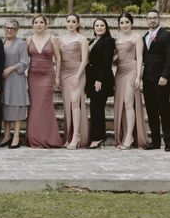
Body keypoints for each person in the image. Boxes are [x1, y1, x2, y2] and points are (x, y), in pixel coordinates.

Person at [142, 9, 170, 151]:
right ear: (146, 20)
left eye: (155, 18)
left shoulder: (167, 35)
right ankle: (155, 141)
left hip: (161, 79)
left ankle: (168, 142)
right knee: (151, 111)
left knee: (163, 110)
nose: (152, 20)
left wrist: (165, 76)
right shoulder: (145, 36)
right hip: (147, 79)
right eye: (149, 18)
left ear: (159, 19)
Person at [26, 14, 63, 148]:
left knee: (45, 105)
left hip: (48, 75)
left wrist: (57, 76)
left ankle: (48, 137)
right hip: (33, 76)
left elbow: (58, 58)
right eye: (36, 22)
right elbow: (24, 59)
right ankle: (34, 138)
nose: (39, 24)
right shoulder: (28, 39)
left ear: (46, 24)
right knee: (35, 105)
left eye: (41, 22)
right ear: (33, 25)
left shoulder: (53, 39)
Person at [113, 12, 149, 149]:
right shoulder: (117, 38)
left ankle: (130, 136)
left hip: (132, 70)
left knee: (129, 103)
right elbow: (116, 56)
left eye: (127, 22)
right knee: (121, 104)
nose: (124, 25)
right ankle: (125, 134)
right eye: (122, 23)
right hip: (120, 72)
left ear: (131, 23)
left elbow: (140, 57)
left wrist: (138, 76)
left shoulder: (137, 37)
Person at [59, 13, 90, 149]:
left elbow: (85, 60)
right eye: (68, 21)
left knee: (75, 102)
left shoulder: (82, 39)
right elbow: (59, 59)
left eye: (73, 21)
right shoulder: (60, 39)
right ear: (66, 23)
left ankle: (77, 136)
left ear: (78, 24)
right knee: (67, 105)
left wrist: (77, 76)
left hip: (78, 72)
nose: (71, 24)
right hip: (65, 74)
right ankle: (69, 135)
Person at [85, 18, 115, 149]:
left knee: (97, 108)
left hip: (101, 79)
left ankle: (98, 137)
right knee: (94, 108)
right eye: (97, 25)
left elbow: (106, 61)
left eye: (102, 25)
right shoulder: (92, 41)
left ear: (106, 27)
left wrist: (99, 80)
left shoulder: (108, 41)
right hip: (91, 79)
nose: (99, 27)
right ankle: (96, 136)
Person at [0, 19, 29, 149]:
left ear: (16, 30)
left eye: (12, 28)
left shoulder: (21, 43)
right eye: (7, 28)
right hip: (3, 79)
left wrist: (11, 68)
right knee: (5, 106)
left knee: (16, 106)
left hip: (16, 78)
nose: (9, 30)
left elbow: (24, 62)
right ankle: (6, 135)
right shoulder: (2, 42)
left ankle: (16, 136)